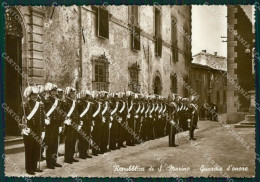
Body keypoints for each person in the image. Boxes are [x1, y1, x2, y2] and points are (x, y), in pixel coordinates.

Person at [21, 86, 45, 175]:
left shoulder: (40, 104)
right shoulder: (25, 105)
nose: (34, 96)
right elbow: (20, 118)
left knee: (36, 148)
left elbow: (42, 118)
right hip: (29, 130)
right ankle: (29, 168)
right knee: (29, 149)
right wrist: (23, 128)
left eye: (36, 95)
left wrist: (43, 130)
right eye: (33, 95)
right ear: (29, 96)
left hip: (38, 129)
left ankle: (34, 167)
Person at [44, 83, 63, 169]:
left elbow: (59, 113)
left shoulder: (57, 100)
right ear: (49, 91)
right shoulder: (47, 99)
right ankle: (49, 163)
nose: (54, 92)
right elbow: (43, 111)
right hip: (49, 124)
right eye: (53, 90)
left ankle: (54, 161)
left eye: (55, 90)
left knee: (55, 144)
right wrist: (46, 118)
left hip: (56, 124)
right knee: (50, 144)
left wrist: (60, 125)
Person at [63, 87, 80, 163]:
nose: (73, 94)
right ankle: (67, 157)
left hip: (75, 123)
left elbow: (77, 113)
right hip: (69, 124)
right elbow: (62, 112)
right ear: (68, 94)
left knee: (73, 140)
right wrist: (65, 120)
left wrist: (78, 122)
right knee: (69, 141)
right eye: (71, 93)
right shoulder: (65, 101)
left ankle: (71, 156)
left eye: (73, 93)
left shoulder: (74, 102)